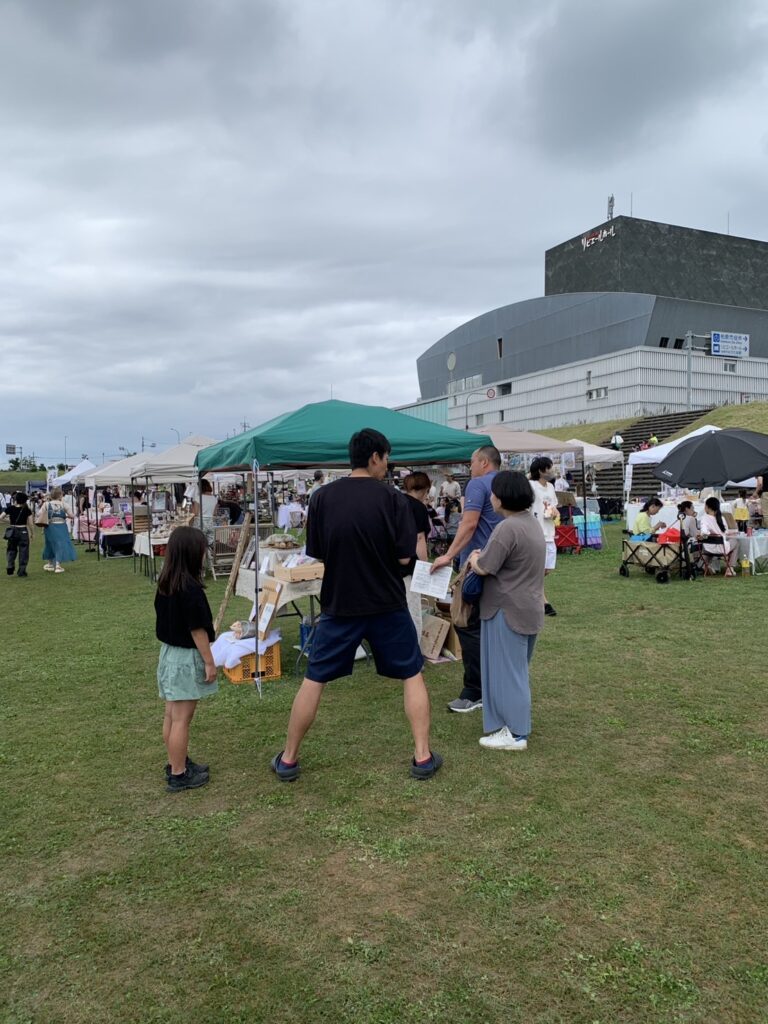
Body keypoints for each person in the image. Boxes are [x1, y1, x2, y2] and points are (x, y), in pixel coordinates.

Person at [271, 428, 441, 782]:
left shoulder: (322, 498)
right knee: (412, 675)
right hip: (387, 603)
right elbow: (405, 558)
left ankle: (288, 759)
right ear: (374, 457)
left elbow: (318, 553)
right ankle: (422, 756)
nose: (387, 465)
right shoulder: (393, 499)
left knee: (314, 679)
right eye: (386, 458)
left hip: (340, 604)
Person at [467, 471, 544, 751]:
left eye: (493, 492)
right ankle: (510, 727)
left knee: (510, 674)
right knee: (515, 671)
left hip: (506, 609)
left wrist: (474, 558)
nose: (491, 497)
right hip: (527, 606)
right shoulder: (530, 522)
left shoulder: (508, 527)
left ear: (501, 497)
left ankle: (516, 733)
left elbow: (485, 566)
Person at [431, 446, 503, 713]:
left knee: (466, 623)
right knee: (491, 626)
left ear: (483, 462)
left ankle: (475, 690)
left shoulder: (477, 484)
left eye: (471, 462)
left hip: (477, 565)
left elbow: (469, 523)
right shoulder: (508, 484)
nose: (469, 467)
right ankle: (494, 684)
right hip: (502, 567)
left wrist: (448, 555)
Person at [155, 526, 217, 793]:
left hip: (169, 654)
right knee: (181, 718)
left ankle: (175, 761)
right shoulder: (190, 589)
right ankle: (178, 774)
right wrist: (209, 661)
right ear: (192, 553)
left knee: (171, 714)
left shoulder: (166, 583)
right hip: (184, 657)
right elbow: (197, 630)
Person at [401, 471, 432, 638]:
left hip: (388, 567)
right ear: (425, 489)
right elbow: (419, 538)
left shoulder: (394, 501)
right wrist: (425, 566)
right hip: (409, 567)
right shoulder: (418, 507)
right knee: (412, 611)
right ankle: (414, 647)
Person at [529, 457, 559, 617]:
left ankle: (530, 593)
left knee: (547, 569)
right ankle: (544, 602)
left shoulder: (551, 487)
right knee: (538, 570)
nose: (552, 471)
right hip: (536, 532)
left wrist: (554, 512)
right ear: (541, 470)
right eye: (550, 468)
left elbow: (553, 506)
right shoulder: (531, 486)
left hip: (549, 531)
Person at [41, 487, 77, 573]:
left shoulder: (46, 504)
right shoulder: (64, 504)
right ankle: (57, 565)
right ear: (60, 495)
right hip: (61, 526)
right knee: (60, 544)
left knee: (49, 544)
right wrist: (66, 515)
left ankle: (50, 564)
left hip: (49, 526)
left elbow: (40, 514)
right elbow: (72, 515)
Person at [700, 497, 736, 576]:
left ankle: (706, 565)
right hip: (721, 548)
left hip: (708, 548)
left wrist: (705, 536)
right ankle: (730, 568)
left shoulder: (704, 518)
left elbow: (704, 532)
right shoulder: (721, 518)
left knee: (706, 545)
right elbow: (725, 532)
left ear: (708, 507)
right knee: (736, 542)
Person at [2, 492, 34, 577]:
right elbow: (31, 523)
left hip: (13, 531)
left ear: (15, 499)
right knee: (24, 551)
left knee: (11, 549)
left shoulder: (10, 508)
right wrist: (32, 533)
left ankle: (10, 566)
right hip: (23, 530)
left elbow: (1, 517)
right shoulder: (27, 510)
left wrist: (10, 521)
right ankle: (22, 571)